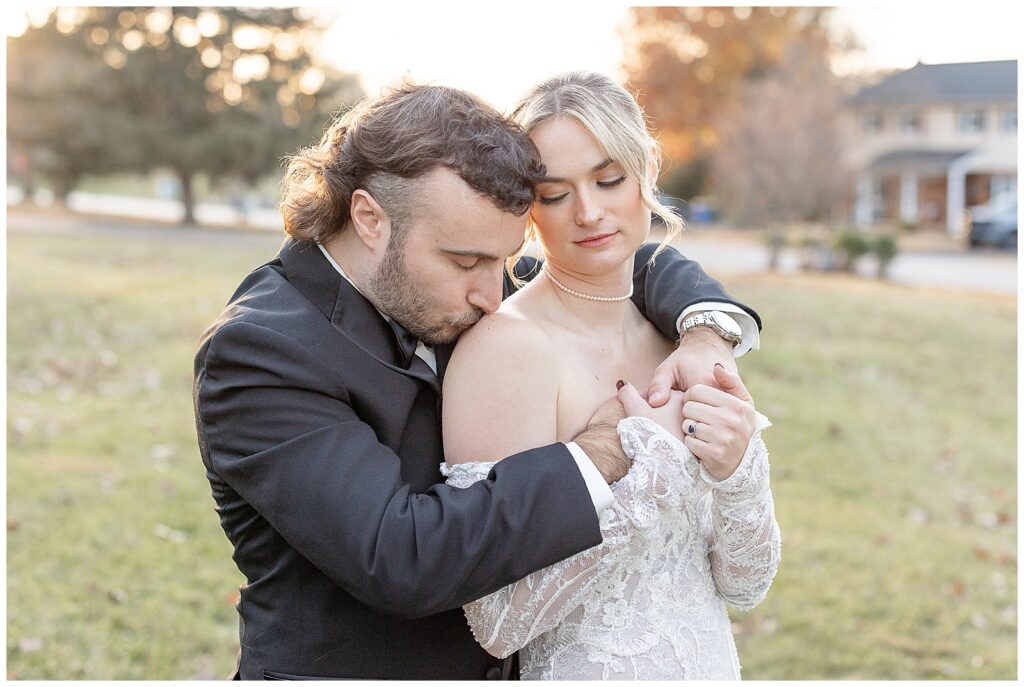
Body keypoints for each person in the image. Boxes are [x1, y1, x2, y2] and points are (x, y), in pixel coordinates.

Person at [192, 82, 762, 680]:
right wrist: (602, 451)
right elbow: (400, 557)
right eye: (467, 263)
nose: (495, 296)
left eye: (508, 261)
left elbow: (629, 261)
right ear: (369, 219)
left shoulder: (453, 269)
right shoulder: (260, 354)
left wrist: (704, 331)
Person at [441, 72, 781, 680]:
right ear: (527, 208)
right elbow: (498, 620)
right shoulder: (507, 350)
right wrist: (644, 471)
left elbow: (745, 584)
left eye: (609, 179)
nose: (589, 212)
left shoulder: (683, 341)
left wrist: (738, 473)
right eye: (554, 193)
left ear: (647, 169)